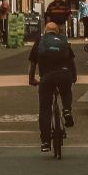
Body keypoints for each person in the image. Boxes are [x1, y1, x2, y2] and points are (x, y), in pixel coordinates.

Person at [28, 22, 77, 152]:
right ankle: (66, 110)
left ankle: (45, 141)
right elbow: (71, 61)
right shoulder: (62, 41)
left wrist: (31, 79)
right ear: (57, 32)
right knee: (66, 91)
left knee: (45, 108)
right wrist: (73, 77)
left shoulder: (41, 41)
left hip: (47, 78)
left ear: (45, 31)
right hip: (64, 74)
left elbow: (33, 63)